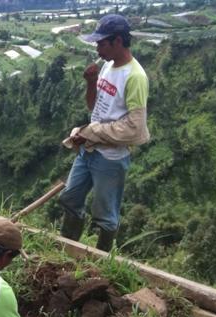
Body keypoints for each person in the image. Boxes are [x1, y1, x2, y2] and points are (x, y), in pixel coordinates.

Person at [59, 14, 150, 252]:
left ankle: (99, 264)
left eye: (101, 43)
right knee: (70, 198)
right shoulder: (107, 66)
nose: (97, 48)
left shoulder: (135, 76)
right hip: (88, 150)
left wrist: (93, 132)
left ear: (118, 41)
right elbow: (95, 107)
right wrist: (90, 82)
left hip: (110, 159)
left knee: (105, 215)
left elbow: (135, 127)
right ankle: (66, 250)